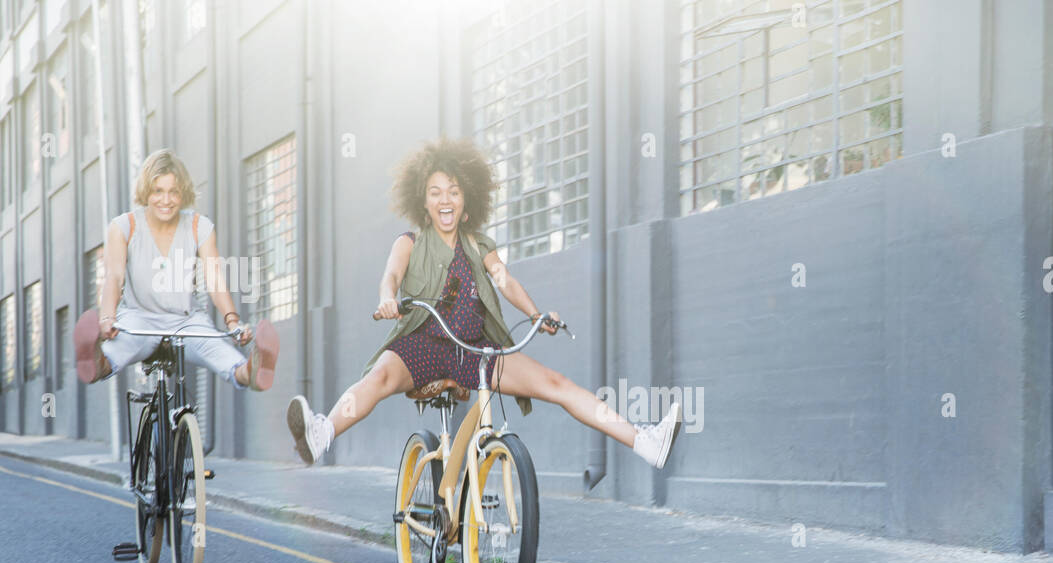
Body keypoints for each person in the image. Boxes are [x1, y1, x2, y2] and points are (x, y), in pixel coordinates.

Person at [286, 137, 681, 473]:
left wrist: (534, 313)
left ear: (466, 202)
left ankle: (645, 442)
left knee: (558, 384)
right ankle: (322, 434)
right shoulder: (408, 243)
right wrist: (387, 299)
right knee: (379, 379)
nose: (445, 200)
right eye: (436, 192)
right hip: (418, 347)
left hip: (474, 350)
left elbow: (503, 279)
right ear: (424, 202)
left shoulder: (478, 245)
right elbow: (390, 276)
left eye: (454, 191)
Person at [75, 149, 277, 391]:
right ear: (146, 191)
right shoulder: (123, 227)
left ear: (183, 193)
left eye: (174, 192)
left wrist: (233, 323)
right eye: (158, 191)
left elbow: (214, 279)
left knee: (223, 356)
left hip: (187, 321)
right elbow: (114, 277)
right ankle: (95, 360)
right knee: (118, 350)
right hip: (139, 320)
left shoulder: (198, 226)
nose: (166, 200)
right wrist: (107, 317)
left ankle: (253, 369)